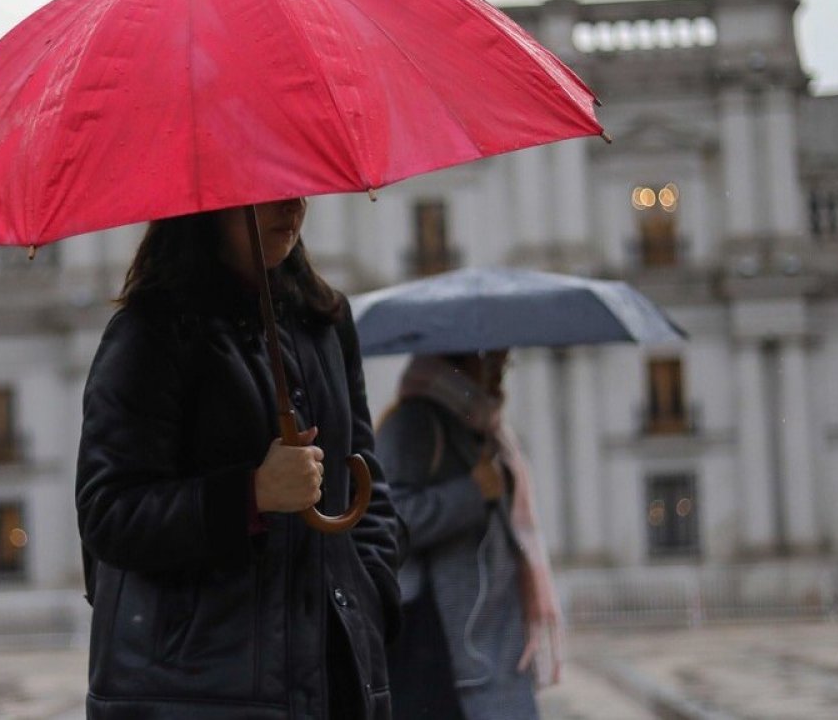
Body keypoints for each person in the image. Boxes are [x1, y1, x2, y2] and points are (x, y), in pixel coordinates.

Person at [75, 197, 403, 720]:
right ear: (210, 204)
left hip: (333, 683)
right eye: (268, 191)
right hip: (196, 694)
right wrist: (250, 495)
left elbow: (367, 482)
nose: (292, 206)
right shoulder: (151, 333)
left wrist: (373, 596)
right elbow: (108, 512)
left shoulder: (325, 324)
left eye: (299, 186)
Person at [377, 350, 564, 720]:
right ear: (464, 359)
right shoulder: (413, 422)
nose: (501, 370)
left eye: (507, 362)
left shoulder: (485, 430)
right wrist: (472, 492)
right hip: (445, 661)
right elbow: (386, 524)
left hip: (495, 651)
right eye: (495, 360)